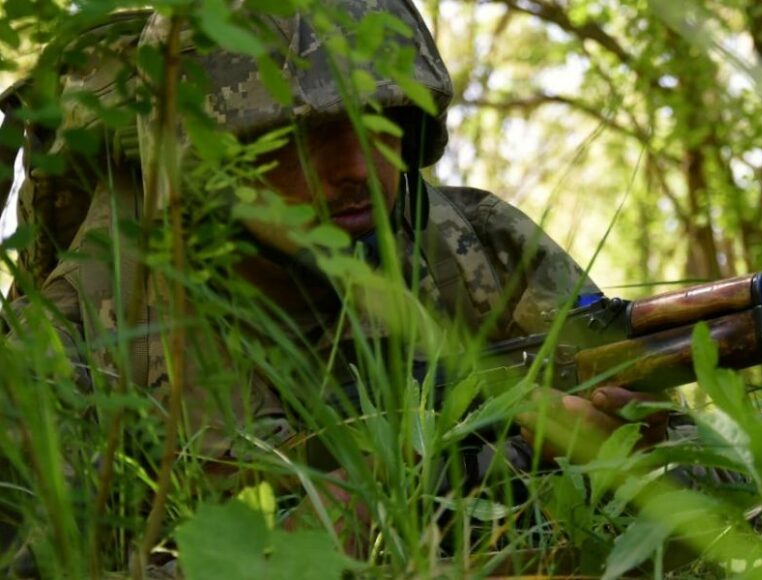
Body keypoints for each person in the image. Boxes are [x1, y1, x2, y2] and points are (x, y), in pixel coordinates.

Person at [0, 0, 669, 571]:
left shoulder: (473, 248)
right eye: (307, 133)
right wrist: (419, 480)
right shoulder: (73, 341)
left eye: (381, 121)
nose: (357, 167)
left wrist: (617, 458)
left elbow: (709, 481)